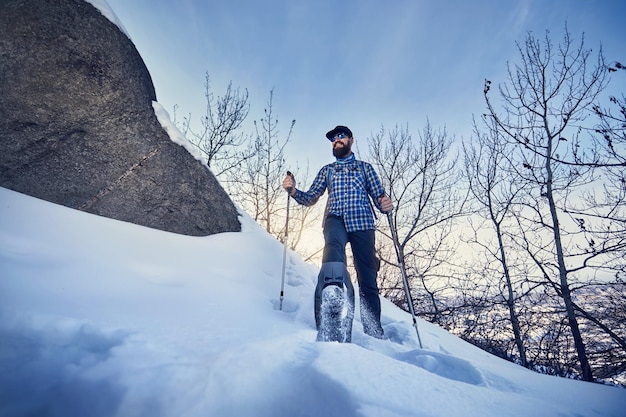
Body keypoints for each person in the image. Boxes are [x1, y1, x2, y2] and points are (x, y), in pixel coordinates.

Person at [282, 125, 393, 342]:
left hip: (363, 222)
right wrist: (293, 191)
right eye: (333, 138)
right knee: (332, 249)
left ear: (351, 140)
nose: (336, 140)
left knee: (367, 276)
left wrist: (385, 203)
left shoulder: (365, 168)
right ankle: (332, 297)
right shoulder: (327, 171)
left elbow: (379, 197)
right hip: (335, 219)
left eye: (341, 136)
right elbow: (311, 197)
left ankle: (373, 327)